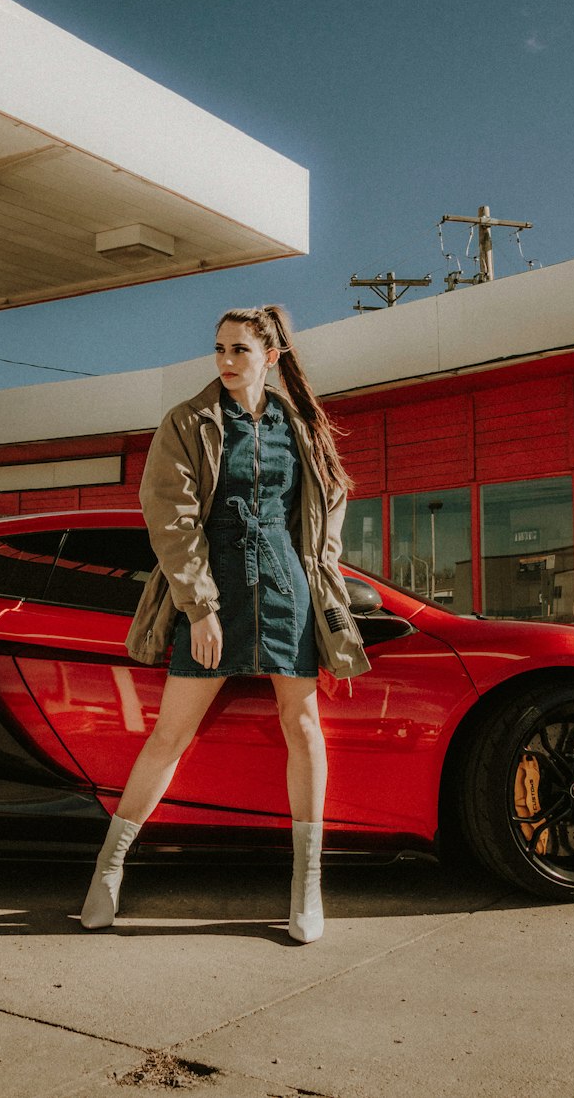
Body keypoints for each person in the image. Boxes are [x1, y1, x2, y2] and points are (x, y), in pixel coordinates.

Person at [79, 305, 370, 942]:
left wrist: (322, 578)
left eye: (239, 349)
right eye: (219, 349)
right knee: (170, 736)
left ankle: (307, 887)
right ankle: (109, 871)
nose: (226, 360)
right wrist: (202, 608)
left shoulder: (302, 427)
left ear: (270, 355)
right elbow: (170, 518)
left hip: (287, 592)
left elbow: (330, 506)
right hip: (215, 595)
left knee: (303, 726)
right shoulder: (188, 421)